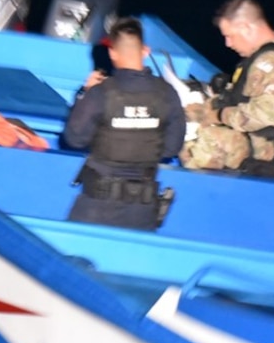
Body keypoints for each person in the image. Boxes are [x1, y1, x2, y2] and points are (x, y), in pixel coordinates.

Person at [62, 17, 185, 230]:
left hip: (96, 209)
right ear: (145, 51)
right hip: (142, 214)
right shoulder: (167, 94)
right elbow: (171, 148)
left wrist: (84, 94)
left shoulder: (101, 93)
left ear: (113, 53)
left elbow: (74, 138)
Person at [181, 0, 274, 179]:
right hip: (265, 139)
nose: (227, 44)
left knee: (200, 142)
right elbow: (239, 98)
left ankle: (202, 194)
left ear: (246, 28)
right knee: (186, 121)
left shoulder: (272, 63)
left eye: (229, 36)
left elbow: (264, 114)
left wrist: (220, 116)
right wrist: (201, 112)